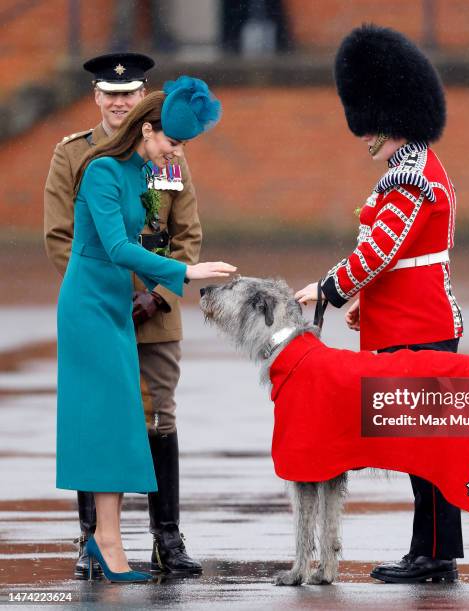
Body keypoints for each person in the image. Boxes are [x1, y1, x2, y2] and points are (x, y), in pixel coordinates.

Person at [295, 25, 464, 584]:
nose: (365, 138)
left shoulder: (410, 178)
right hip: (406, 320)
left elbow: (379, 252)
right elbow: (403, 259)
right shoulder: (409, 169)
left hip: (420, 327)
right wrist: (367, 307)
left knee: (428, 449)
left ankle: (436, 555)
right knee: (419, 449)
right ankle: (427, 550)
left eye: (372, 127)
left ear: (393, 118)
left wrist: (327, 289)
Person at [55, 76, 236, 583]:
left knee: (118, 423)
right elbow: (114, 247)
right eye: (172, 144)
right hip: (91, 302)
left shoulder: (148, 170)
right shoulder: (101, 169)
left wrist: (160, 290)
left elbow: (173, 230)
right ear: (149, 129)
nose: (176, 155)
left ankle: (113, 540)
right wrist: (185, 273)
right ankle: (103, 539)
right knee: (101, 420)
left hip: (119, 300)